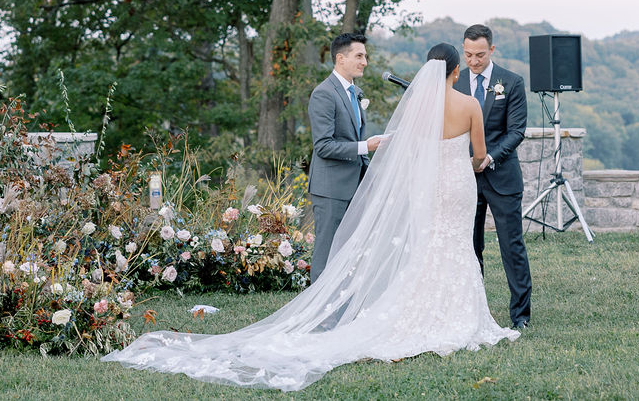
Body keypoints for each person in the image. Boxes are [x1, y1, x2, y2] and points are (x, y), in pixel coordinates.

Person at [102, 44, 519, 392]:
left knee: (430, 244)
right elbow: (479, 154)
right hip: (459, 182)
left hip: (430, 185)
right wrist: (475, 163)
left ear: (427, 69)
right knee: (456, 244)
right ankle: (455, 315)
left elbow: (409, 152)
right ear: (457, 68)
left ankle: (420, 312)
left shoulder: (418, 109)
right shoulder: (469, 104)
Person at [454, 24, 532, 329]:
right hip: (464, 177)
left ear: (492, 50)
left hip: (502, 176)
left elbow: (516, 131)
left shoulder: (511, 82)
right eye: (468, 54)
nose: (473, 61)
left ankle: (520, 315)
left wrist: (489, 157)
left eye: (480, 55)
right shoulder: (455, 82)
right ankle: (473, 311)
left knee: (511, 245)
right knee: (469, 246)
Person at [306, 32, 383, 280]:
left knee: (350, 252)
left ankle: (341, 310)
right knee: (327, 252)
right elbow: (324, 146)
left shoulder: (354, 92)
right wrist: (365, 146)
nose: (365, 62)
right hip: (331, 189)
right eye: (359, 56)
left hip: (355, 186)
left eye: (365, 56)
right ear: (341, 58)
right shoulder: (324, 93)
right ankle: (319, 317)